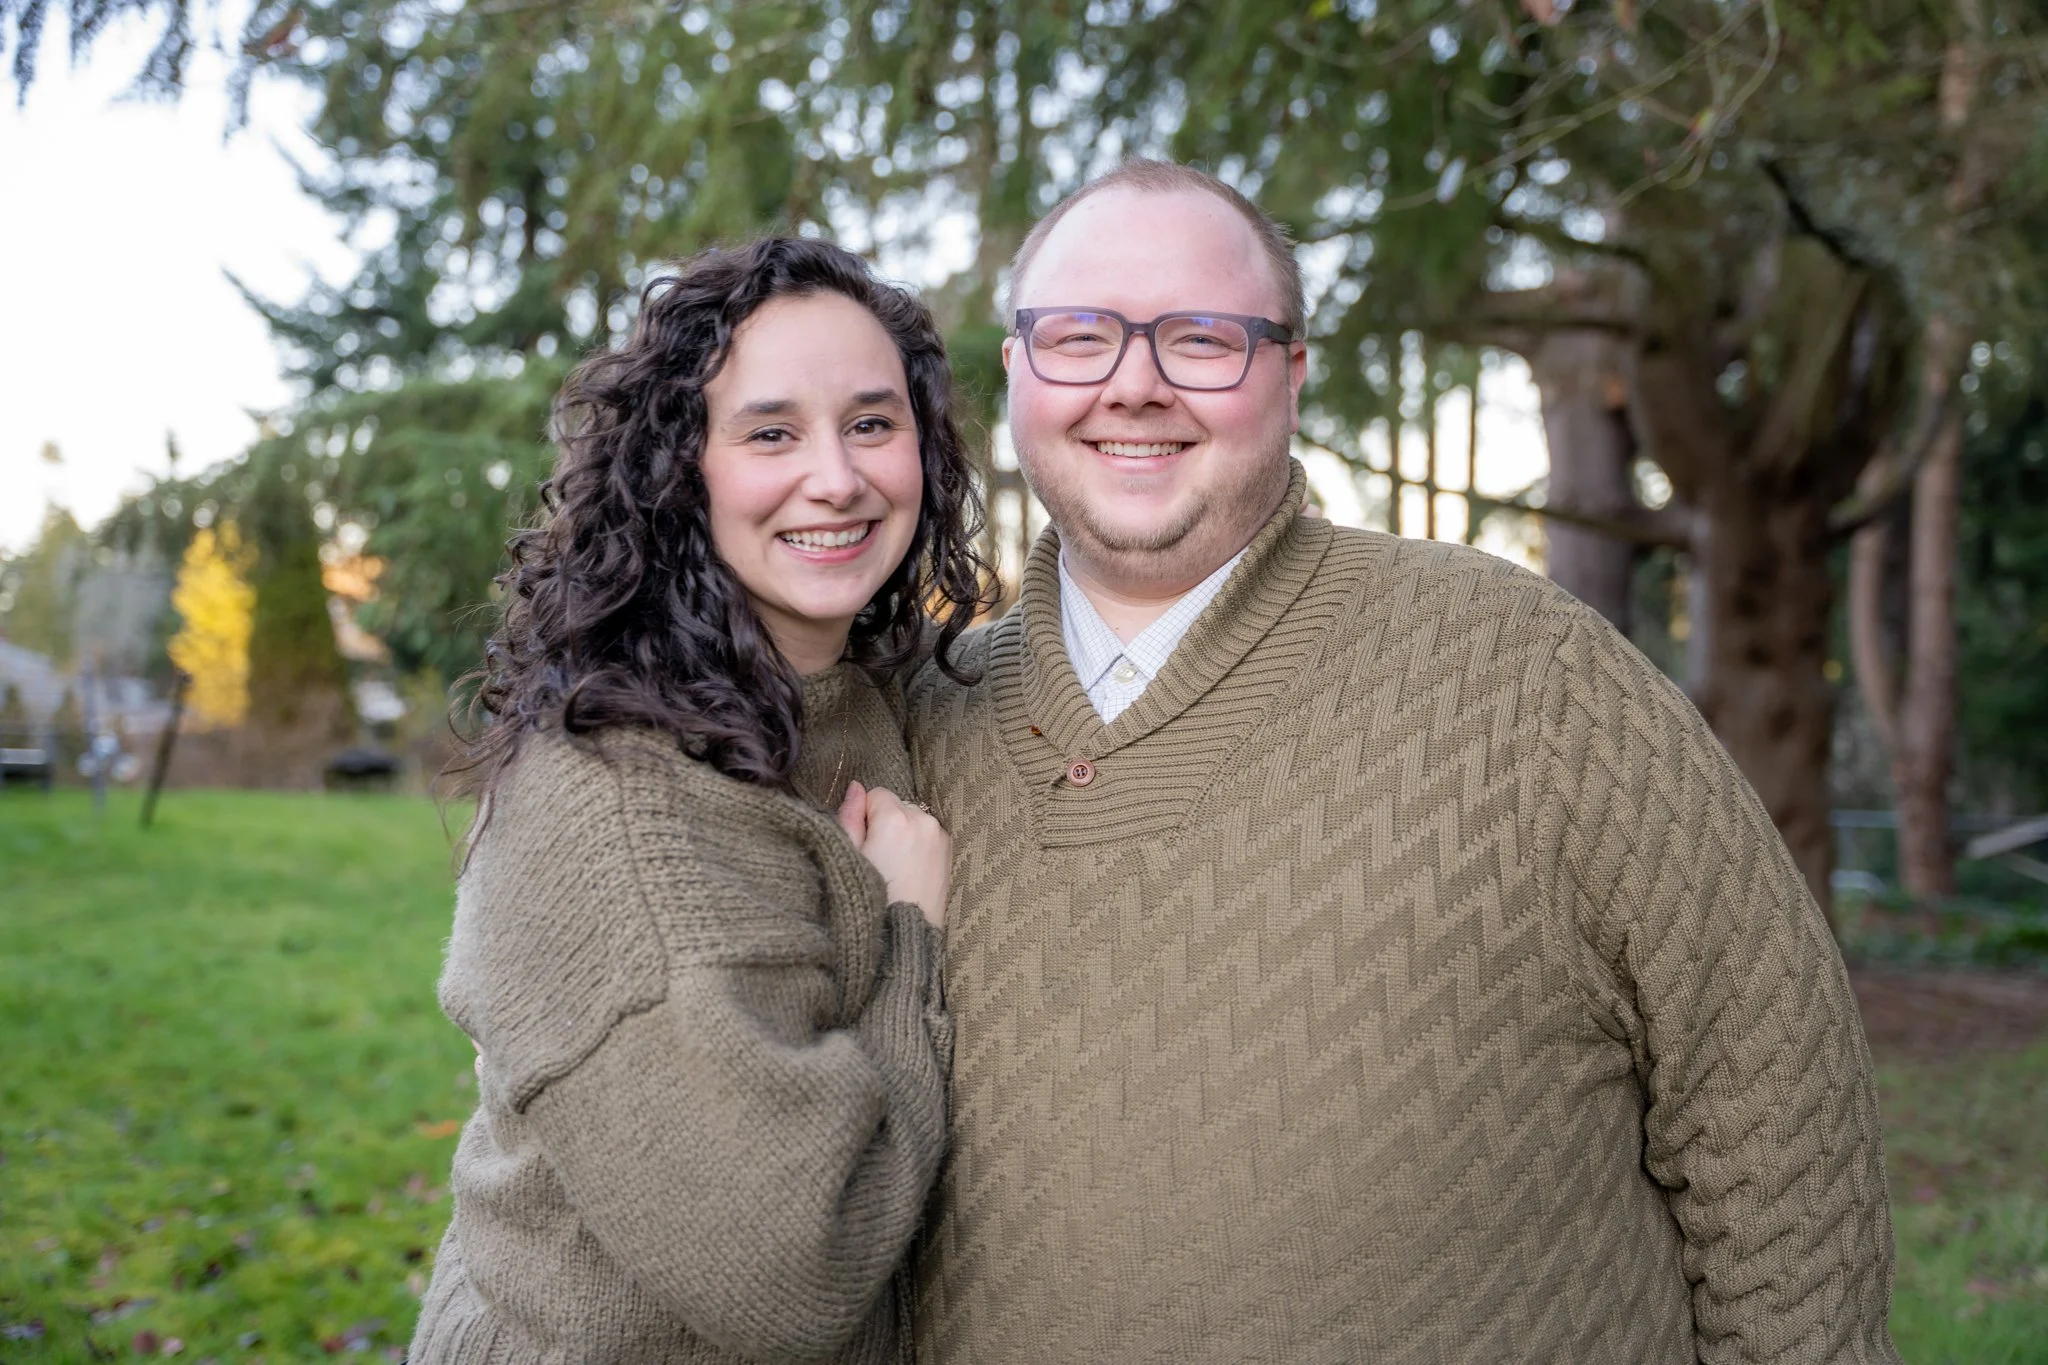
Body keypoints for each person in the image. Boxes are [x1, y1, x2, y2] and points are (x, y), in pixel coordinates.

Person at [905, 160, 1901, 1363]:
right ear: (1013, 372)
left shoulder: (1527, 676)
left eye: (1203, 338)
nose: (1134, 384)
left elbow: (1775, 1108)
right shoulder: (913, 721)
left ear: (1291, 371)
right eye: (1078, 336)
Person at [408, 236, 991, 1364]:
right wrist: (909, 930)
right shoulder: (619, 810)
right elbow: (792, 1276)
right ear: (681, 469)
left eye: (872, 423)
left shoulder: (850, 688)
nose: (837, 477)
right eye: (771, 432)